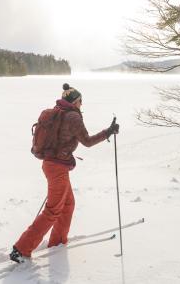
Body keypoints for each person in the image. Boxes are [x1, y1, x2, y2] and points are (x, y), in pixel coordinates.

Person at [10, 83, 119, 263]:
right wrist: (108, 132)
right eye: (80, 101)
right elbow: (88, 142)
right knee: (53, 210)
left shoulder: (57, 111)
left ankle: (58, 242)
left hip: (51, 164)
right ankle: (21, 249)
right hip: (57, 169)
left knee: (68, 204)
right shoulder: (73, 118)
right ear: (75, 101)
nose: (81, 104)